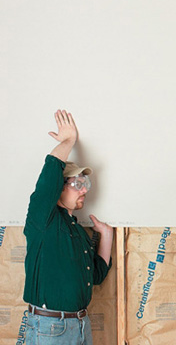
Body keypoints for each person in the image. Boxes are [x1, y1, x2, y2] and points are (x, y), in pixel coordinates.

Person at [23, 110, 114, 344]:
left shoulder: (77, 232)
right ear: (59, 188)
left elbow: (95, 275)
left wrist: (106, 235)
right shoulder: (43, 220)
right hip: (50, 328)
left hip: (81, 325)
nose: (84, 189)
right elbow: (49, 177)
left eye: (86, 184)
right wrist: (68, 141)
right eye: (76, 183)